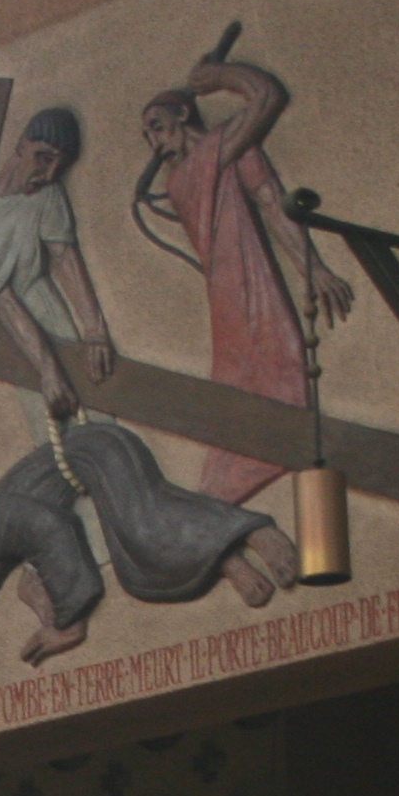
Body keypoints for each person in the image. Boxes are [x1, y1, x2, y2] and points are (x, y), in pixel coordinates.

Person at [0, 424, 298, 701]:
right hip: (88, 473)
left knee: (142, 531)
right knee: (138, 571)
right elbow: (25, 578)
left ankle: (256, 529)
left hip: (90, 453)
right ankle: (228, 558)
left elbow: (47, 527)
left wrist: (69, 618)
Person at [137, 55, 353, 505]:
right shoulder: (183, 179)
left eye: (157, 126)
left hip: (254, 280)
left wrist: (313, 268)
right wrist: (223, 78)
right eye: (147, 135)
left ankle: (253, 463)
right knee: (247, 371)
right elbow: (264, 100)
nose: (153, 141)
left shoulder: (224, 150)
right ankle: (236, 475)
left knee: (281, 357)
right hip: (229, 288)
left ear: (181, 115)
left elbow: (273, 204)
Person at [0, 107, 117, 432]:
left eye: (58, 165)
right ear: (22, 144)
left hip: (53, 315)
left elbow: (65, 258)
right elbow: (4, 299)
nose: (49, 173)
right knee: (51, 428)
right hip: (21, 333)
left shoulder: (48, 195)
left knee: (95, 419)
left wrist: (95, 332)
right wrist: (48, 369)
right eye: (43, 157)